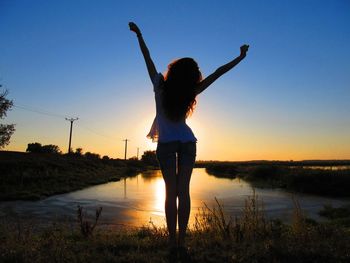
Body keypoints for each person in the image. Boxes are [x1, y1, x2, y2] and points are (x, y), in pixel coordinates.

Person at [129, 22, 249, 251]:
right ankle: (182, 241)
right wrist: (240, 57)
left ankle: (172, 240)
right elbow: (218, 72)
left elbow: (147, 56)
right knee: (183, 192)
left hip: (166, 144)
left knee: (170, 192)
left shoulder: (159, 85)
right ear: (192, 75)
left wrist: (139, 34)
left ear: (173, 71)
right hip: (187, 142)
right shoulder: (191, 90)